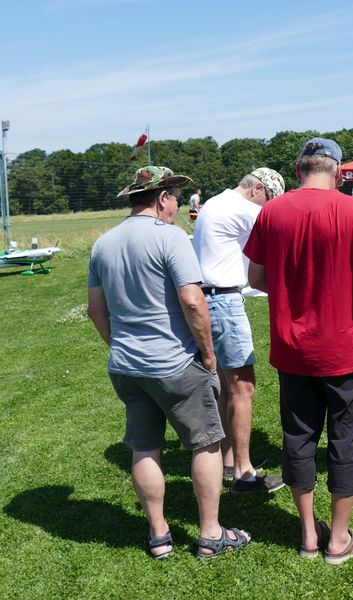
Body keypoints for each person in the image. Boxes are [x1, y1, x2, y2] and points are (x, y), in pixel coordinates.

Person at [87, 166, 250, 560]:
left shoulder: (103, 244)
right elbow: (194, 301)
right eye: (176, 197)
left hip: (126, 367)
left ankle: (159, 536)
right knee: (206, 444)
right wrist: (208, 355)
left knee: (144, 448)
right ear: (161, 197)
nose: (178, 205)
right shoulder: (171, 237)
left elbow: (96, 311)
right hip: (175, 364)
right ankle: (211, 535)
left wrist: (120, 344)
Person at [244, 138, 353, 565]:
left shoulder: (272, 211)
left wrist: (293, 294)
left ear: (297, 168)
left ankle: (309, 535)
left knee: (298, 438)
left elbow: (255, 276)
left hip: (294, 351)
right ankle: (338, 539)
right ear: (339, 172)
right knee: (346, 442)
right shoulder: (352, 209)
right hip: (345, 350)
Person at [192, 167, 286, 493]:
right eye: (268, 200)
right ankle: (244, 475)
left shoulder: (216, 203)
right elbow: (283, 235)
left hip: (207, 300)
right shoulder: (245, 209)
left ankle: (229, 459)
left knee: (224, 385)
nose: (266, 207)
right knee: (243, 387)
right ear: (257, 189)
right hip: (224, 302)